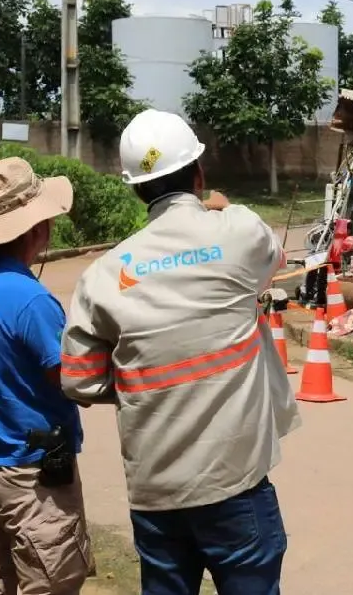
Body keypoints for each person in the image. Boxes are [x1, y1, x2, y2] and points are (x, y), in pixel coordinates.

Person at [60, 109, 300, 595]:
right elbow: (272, 263)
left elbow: (79, 380)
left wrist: (146, 379)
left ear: (135, 188)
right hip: (236, 488)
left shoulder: (104, 275)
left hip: (156, 495)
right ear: (199, 172)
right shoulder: (236, 231)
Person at [0, 157, 95, 595]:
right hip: (33, 470)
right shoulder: (30, 300)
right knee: (52, 578)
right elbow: (72, 381)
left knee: (6, 575)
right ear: (34, 229)